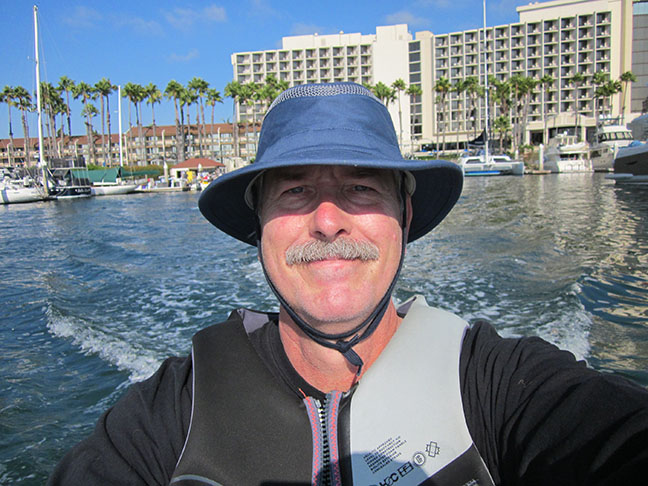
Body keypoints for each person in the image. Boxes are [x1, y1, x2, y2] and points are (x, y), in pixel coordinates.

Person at [48, 83, 648, 486]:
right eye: (295, 190)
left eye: (361, 187)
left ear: (404, 217)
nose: (328, 220)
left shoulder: (497, 384)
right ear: (259, 226)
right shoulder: (169, 410)